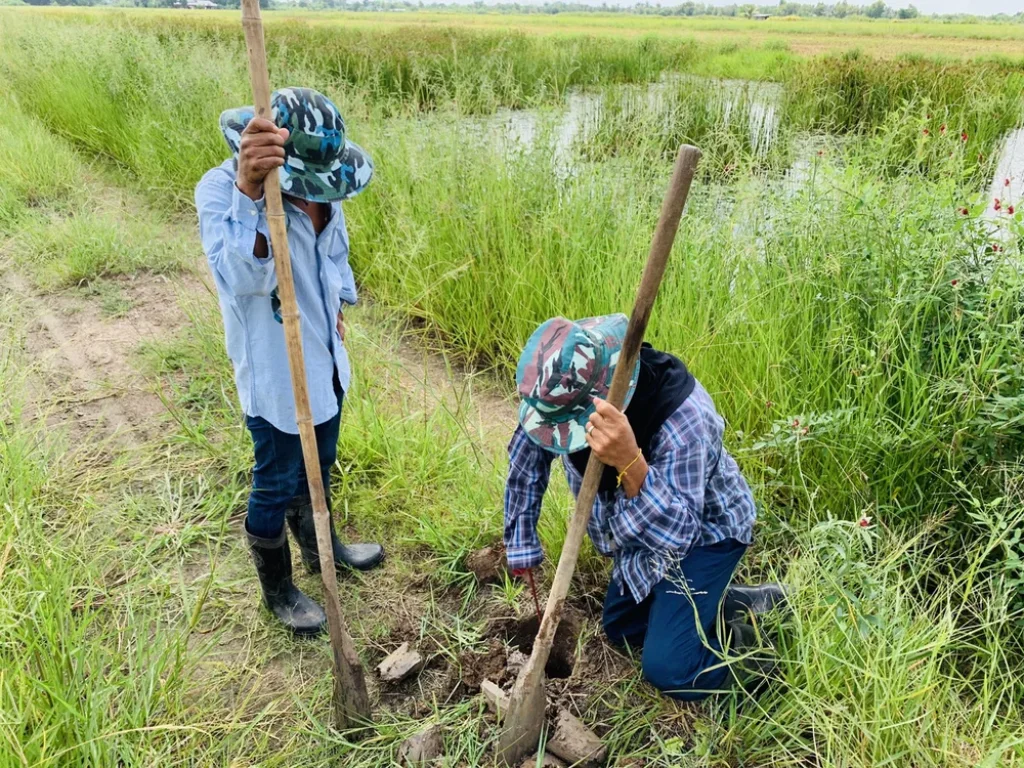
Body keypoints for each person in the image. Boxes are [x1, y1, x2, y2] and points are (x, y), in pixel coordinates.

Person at [504, 315, 784, 699]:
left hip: (705, 533)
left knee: (669, 669)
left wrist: (630, 460)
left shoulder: (684, 419)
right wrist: (521, 541)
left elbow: (678, 533)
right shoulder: (564, 380)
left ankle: (760, 660)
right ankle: (734, 601)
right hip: (640, 539)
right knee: (622, 628)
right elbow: (528, 452)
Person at [195, 87, 384, 637]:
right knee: (276, 480)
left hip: (324, 357)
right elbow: (243, 279)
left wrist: (339, 304)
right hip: (277, 370)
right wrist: (251, 189)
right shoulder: (220, 191)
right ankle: (278, 588)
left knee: (321, 462)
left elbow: (335, 257)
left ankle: (324, 545)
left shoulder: (327, 192)